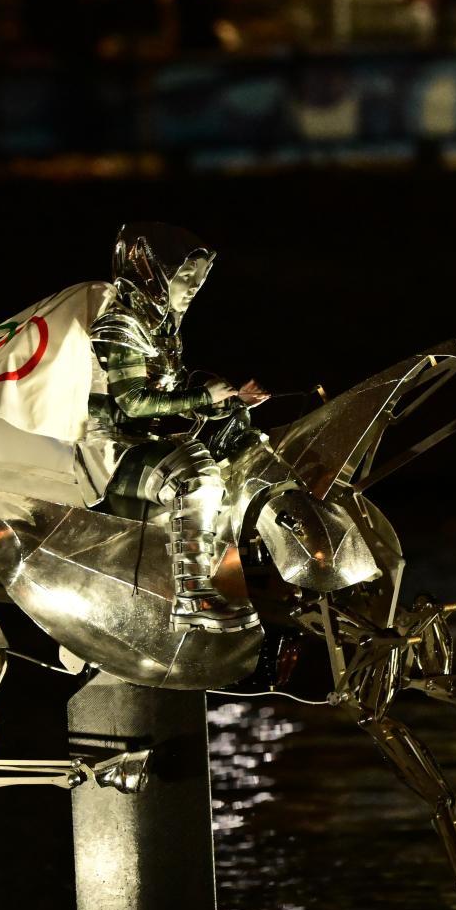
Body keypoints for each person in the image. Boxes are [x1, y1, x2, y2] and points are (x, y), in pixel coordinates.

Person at [80, 223, 268, 632]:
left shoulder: (162, 328)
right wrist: (205, 398)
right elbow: (135, 401)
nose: (194, 286)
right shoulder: (121, 326)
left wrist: (230, 402)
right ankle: (192, 595)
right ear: (152, 271)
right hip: (110, 452)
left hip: (146, 438)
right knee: (195, 472)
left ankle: (246, 560)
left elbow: (173, 388)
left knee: (239, 437)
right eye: (185, 275)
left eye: (200, 278)